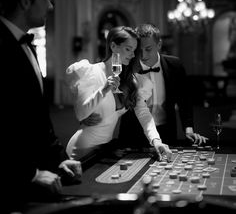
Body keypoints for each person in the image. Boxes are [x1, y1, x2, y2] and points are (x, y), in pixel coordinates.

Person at [0, 0, 82, 214]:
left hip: (36, 177)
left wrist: (57, 159)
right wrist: (29, 174)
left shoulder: (28, 45)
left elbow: (37, 117)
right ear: (25, 1)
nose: (51, 6)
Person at [66, 26, 172, 162]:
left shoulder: (130, 80)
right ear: (113, 46)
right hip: (81, 149)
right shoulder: (92, 72)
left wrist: (156, 140)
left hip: (104, 151)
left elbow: (143, 113)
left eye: (134, 50)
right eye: (128, 49)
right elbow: (81, 114)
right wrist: (103, 90)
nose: (133, 55)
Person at [119, 23, 208, 148]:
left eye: (148, 49)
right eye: (139, 50)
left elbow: (184, 101)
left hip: (166, 133)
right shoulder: (126, 69)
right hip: (133, 135)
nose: (143, 55)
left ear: (159, 45)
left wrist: (189, 130)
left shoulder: (175, 65)